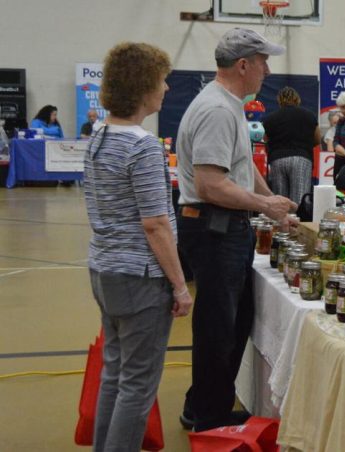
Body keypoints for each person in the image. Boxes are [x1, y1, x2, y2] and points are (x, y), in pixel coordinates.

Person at [175, 28, 297, 432]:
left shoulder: (228, 106)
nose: (267, 69)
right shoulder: (217, 111)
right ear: (243, 64)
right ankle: (207, 418)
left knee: (232, 320)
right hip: (214, 230)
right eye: (263, 61)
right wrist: (264, 205)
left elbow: (242, 171)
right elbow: (212, 184)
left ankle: (206, 404)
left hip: (225, 228)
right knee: (218, 327)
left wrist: (275, 207)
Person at [83, 42, 192, 452]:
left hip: (104, 269)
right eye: (162, 81)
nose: (165, 88)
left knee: (115, 374)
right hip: (139, 277)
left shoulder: (99, 136)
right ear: (145, 87)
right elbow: (156, 224)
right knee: (139, 385)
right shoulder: (142, 145)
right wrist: (180, 286)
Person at [262, 86, 320, 202]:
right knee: (300, 199)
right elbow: (317, 138)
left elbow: (265, 140)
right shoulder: (309, 115)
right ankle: (298, 219)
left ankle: (282, 220)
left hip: (277, 159)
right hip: (301, 158)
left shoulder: (269, 118)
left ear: (279, 100)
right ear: (297, 99)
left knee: (280, 200)